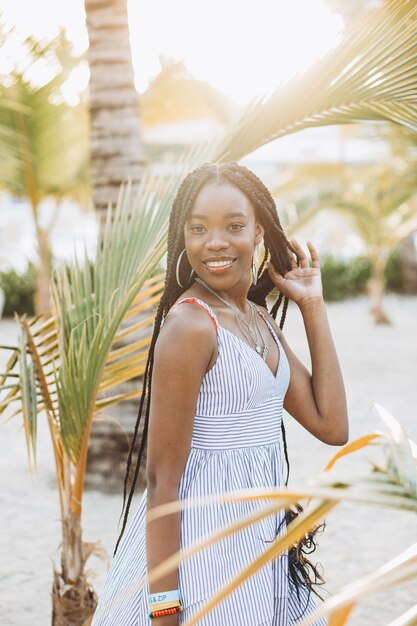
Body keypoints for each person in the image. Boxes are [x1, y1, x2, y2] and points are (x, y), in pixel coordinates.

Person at [92, 162, 348, 626]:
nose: (214, 242)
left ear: (260, 233)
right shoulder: (190, 327)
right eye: (198, 228)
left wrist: (311, 305)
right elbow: (162, 482)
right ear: (183, 236)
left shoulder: (257, 318)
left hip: (259, 550)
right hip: (199, 556)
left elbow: (332, 426)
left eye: (234, 226)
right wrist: (165, 612)